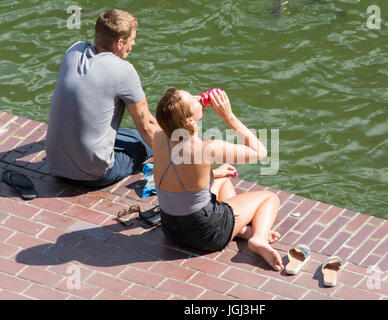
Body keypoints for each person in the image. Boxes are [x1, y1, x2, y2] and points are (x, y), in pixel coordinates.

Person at [153, 88, 284, 271]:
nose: (199, 97)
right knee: (269, 198)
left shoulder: (158, 136)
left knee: (224, 182)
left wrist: (213, 174)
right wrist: (228, 116)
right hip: (205, 235)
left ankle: (242, 231)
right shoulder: (208, 149)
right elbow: (260, 152)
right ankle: (259, 238)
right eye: (194, 100)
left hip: (171, 230)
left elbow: (180, 174)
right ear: (189, 120)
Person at [45, 9, 159, 188]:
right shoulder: (123, 71)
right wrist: (176, 156)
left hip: (55, 165)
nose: (134, 43)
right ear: (120, 43)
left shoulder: (73, 51)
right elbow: (147, 126)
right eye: (132, 39)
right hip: (94, 174)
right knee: (146, 143)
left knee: (131, 135)